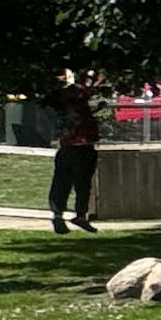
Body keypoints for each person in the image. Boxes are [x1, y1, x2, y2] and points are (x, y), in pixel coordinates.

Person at [48, 91, 105, 233]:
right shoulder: (80, 115)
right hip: (79, 150)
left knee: (68, 184)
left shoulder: (65, 115)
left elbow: (57, 133)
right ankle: (73, 215)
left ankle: (63, 215)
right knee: (79, 185)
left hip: (71, 150)